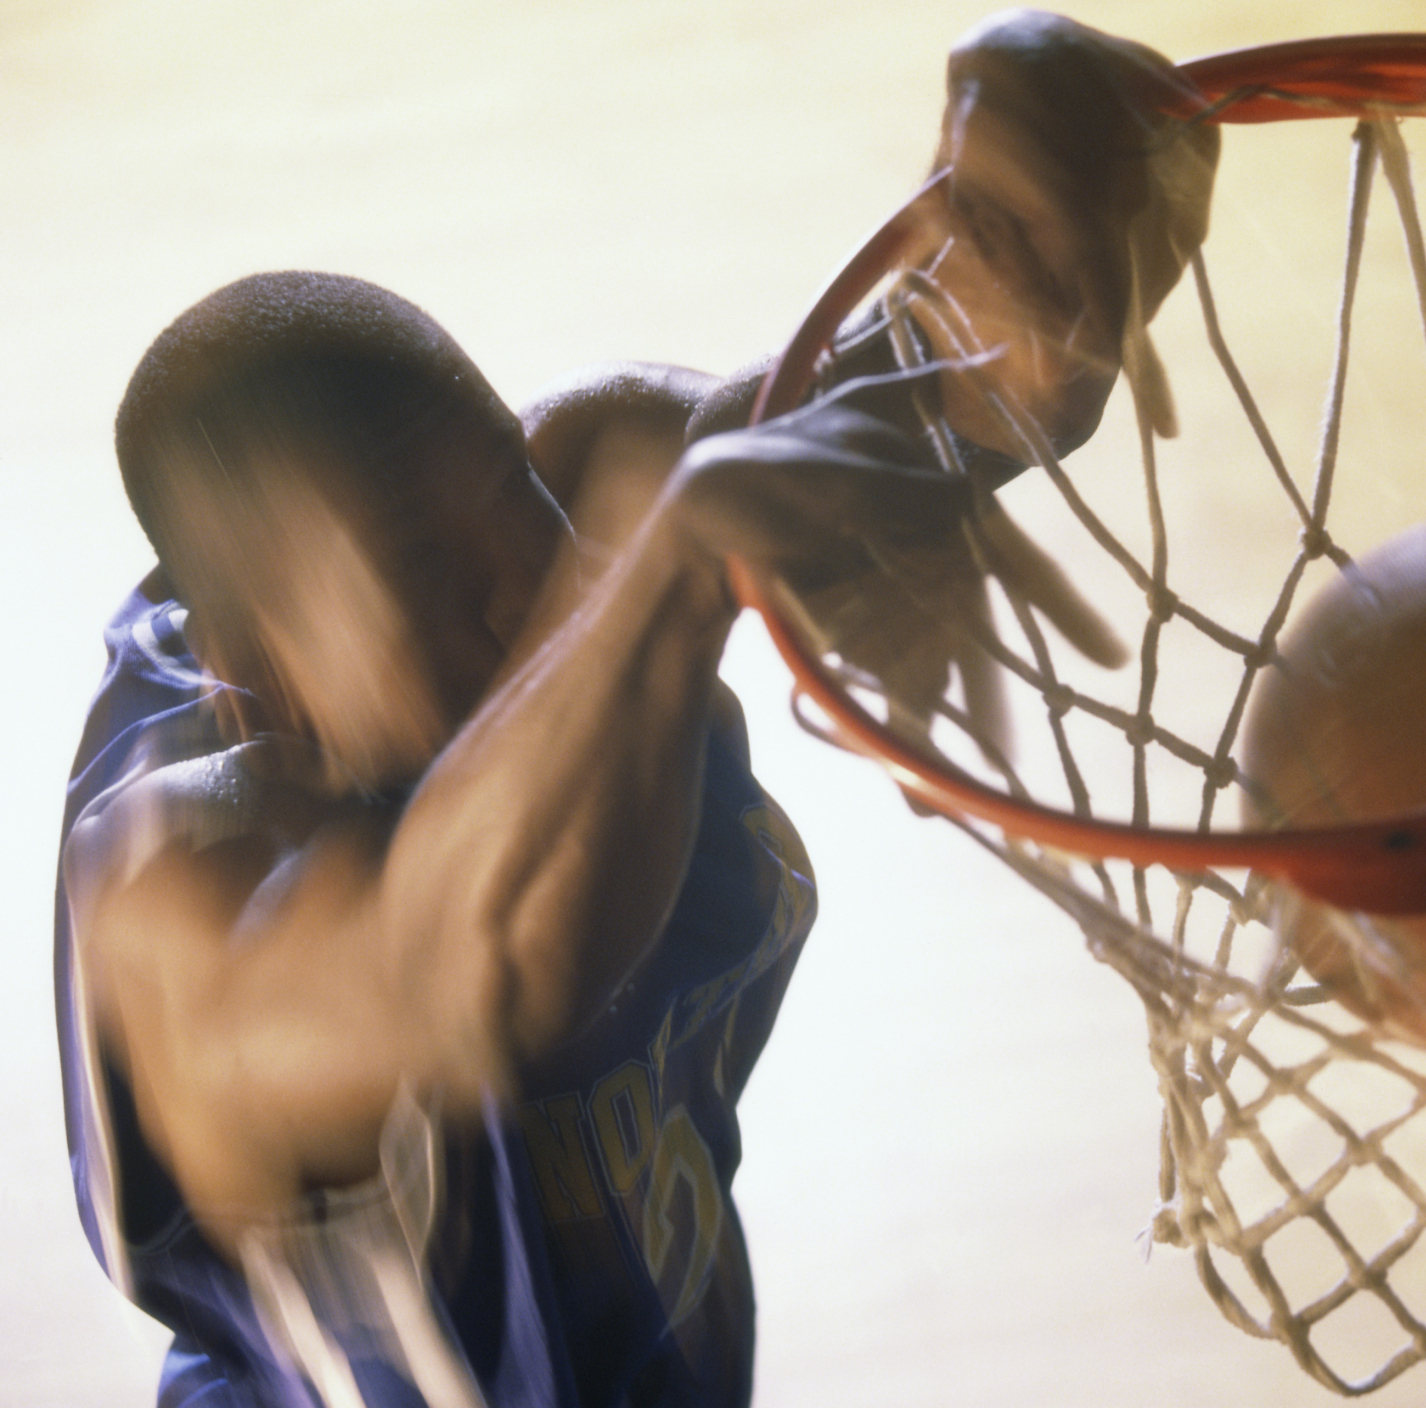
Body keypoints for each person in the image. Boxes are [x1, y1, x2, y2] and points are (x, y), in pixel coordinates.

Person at [54, 13, 1215, 1406]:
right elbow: (466, 971)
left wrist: (1056, 208)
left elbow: (963, 388)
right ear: (265, 691)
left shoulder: (604, 479)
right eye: (433, 574)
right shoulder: (175, 914)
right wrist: (671, 569)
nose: (527, 581)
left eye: (513, 486)